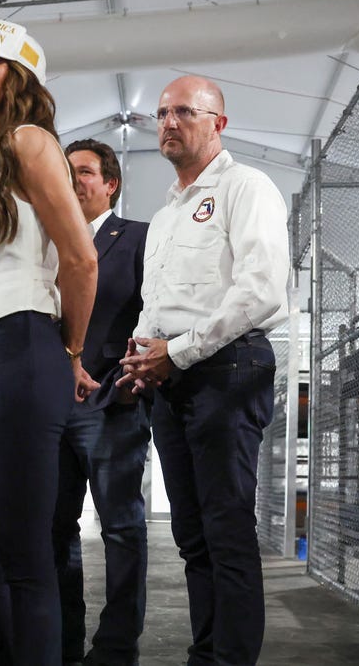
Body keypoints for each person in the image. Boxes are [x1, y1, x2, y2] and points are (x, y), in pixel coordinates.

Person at [0, 19, 99, 665]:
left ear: (20, 76)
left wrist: (73, 351)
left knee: (26, 552)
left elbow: (81, 260)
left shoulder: (32, 143)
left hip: (28, 346)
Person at [117, 75, 290, 666]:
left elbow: (260, 291)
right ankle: (206, 652)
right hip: (173, 377)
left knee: (227, 528)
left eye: (185, 111)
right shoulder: (164, 216)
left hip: (228, 367)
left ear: (219, 123)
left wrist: (180, 350)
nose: (169, 121)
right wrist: (145, 354)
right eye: (162, 113)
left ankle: (230, 658)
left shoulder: (247, 188)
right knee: (192, 535)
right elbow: (156, 302)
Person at [52, 139, 150, 666]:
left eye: (85, 172)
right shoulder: (49, 241)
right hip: (52, 405)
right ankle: (65, 644)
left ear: (110, 183)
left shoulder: (136, 238)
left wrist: (130, 379)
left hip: (112, 401)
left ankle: (115, 648)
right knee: (55, 528)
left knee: (120, 526)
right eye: (67, 172)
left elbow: (152, 311)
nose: (74, 180)